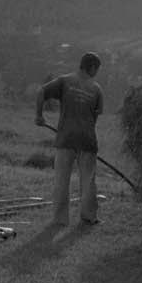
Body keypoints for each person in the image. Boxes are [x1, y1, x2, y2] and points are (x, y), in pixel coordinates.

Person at [35, 52, 104, 227]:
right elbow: (94, 119)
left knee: (61, 181)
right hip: (88, 141)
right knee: (88, 181)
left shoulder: (65, 81)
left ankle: (60, 220)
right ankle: (89, 217)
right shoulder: (96, 89)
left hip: (65, 138)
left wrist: (39, 116)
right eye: (97, 69)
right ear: (93, 67)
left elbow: (41, 91)